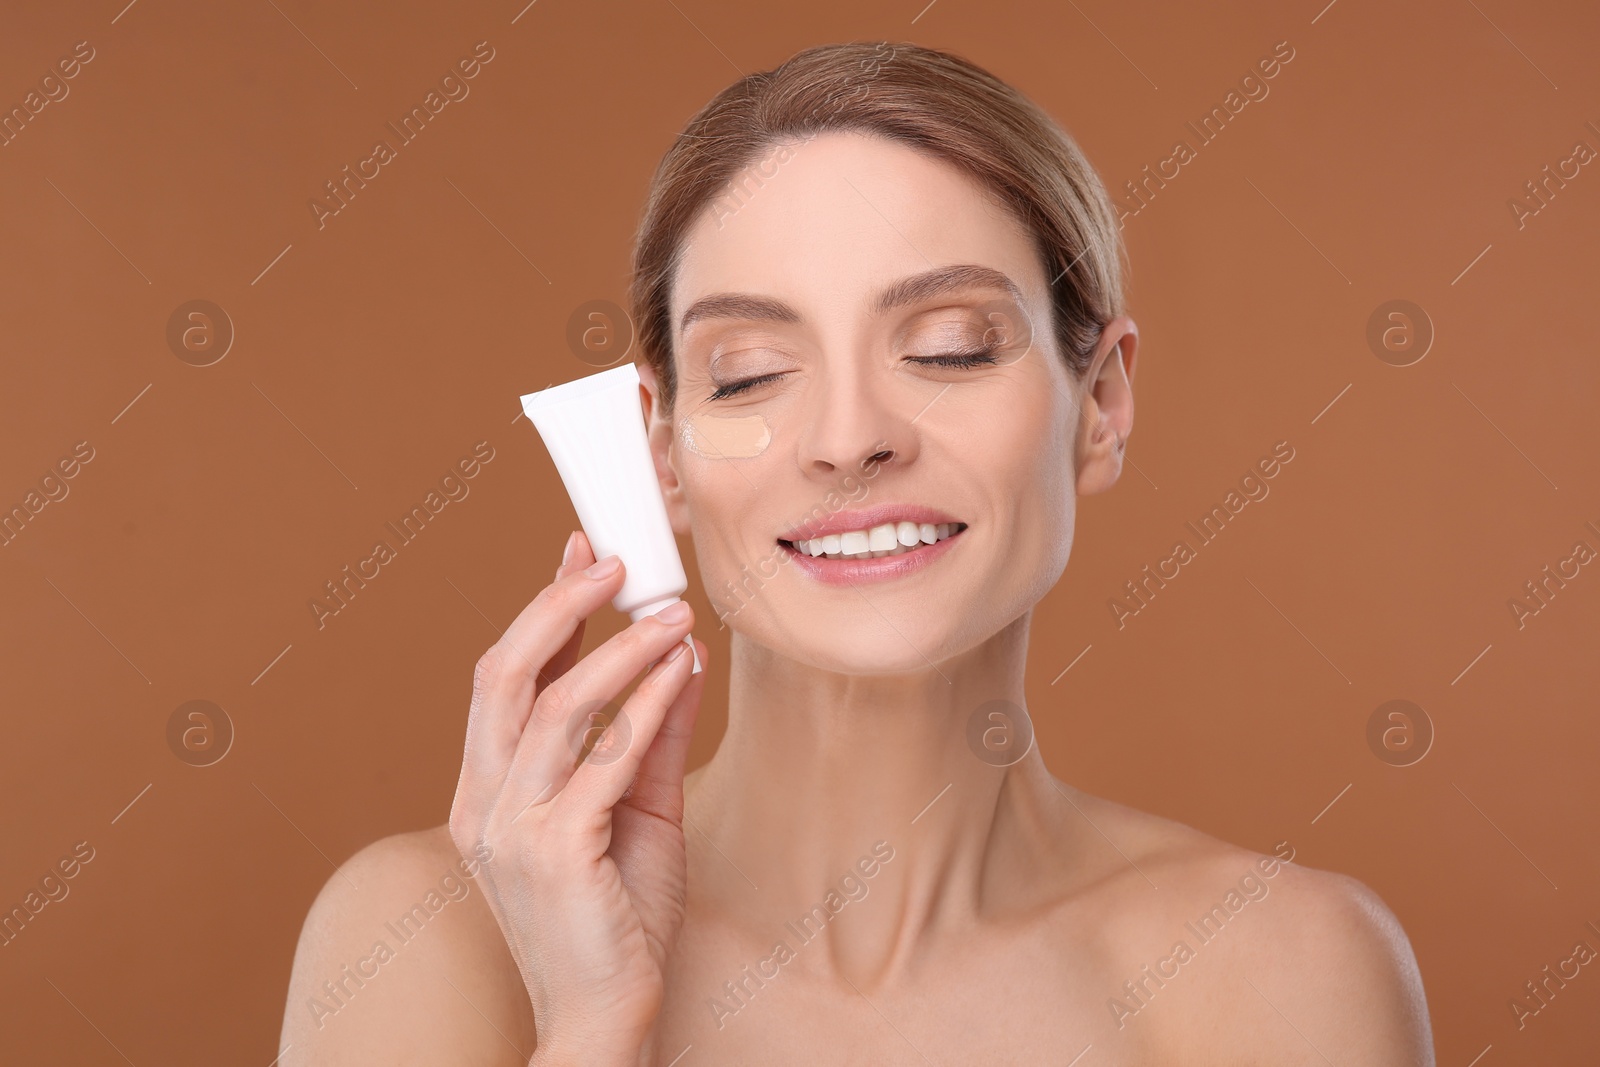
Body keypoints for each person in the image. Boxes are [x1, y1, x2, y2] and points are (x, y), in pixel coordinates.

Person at [279, 40, 1434, 1065]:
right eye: (746, 374)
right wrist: (592, 1028)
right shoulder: (426, 938)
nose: (846, 439)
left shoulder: (1282, 967)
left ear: (1103, 401)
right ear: (664, 454)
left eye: (947, 349)